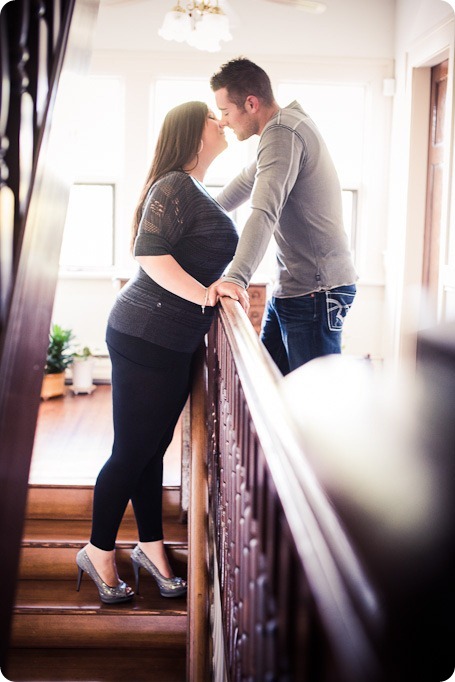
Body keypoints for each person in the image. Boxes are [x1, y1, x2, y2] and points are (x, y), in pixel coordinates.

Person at [76, 101, 238, 603]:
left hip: (168, 340)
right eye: (213, 117)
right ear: (193, 136)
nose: (221, 121)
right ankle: (98, 550)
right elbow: (149, 255)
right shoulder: (173, 185)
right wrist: (208, 295)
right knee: (132, 451)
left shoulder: (192, 189)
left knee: (149, 450)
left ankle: (150, 546)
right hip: (145, 334)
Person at [209, 57, 358, 376]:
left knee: (312, 403)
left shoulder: (282, 132)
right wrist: (197, 214)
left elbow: (263, 211)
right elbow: (246, 182)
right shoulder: (285, 126)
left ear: (250, 103)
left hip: (315, 291)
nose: (223, 121)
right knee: (270, 387)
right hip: (296, 287)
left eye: (225, 111)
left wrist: (236, 277)